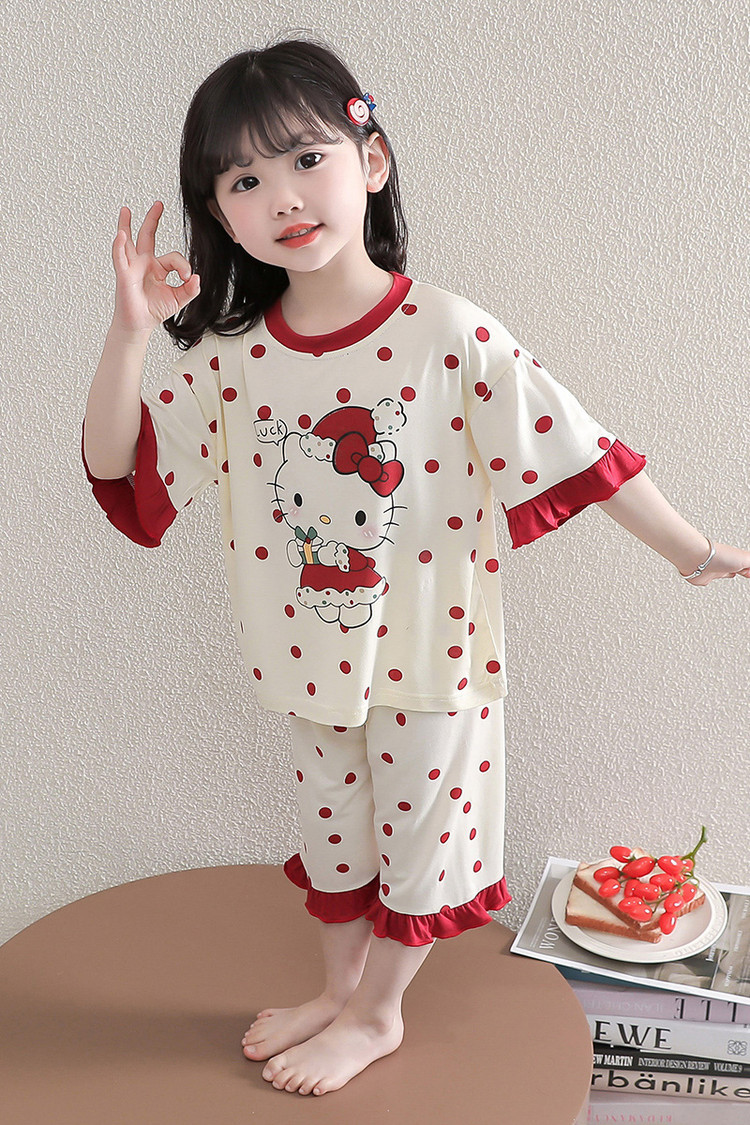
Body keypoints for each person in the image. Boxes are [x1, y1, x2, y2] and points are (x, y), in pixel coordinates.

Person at [82, 37, 750, 1098]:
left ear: (372, 161)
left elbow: (579, 449)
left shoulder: (447, 331)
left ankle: (378, 1015)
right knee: (338, 842)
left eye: (306, 159)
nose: (282, 196)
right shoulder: (235, 360)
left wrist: (695, 551)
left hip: (435, 660)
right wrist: (129, 331)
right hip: (306, 663)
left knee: (424, 847)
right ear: (221, 215)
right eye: (244, 181)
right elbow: (121, 465)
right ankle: (339, 993)